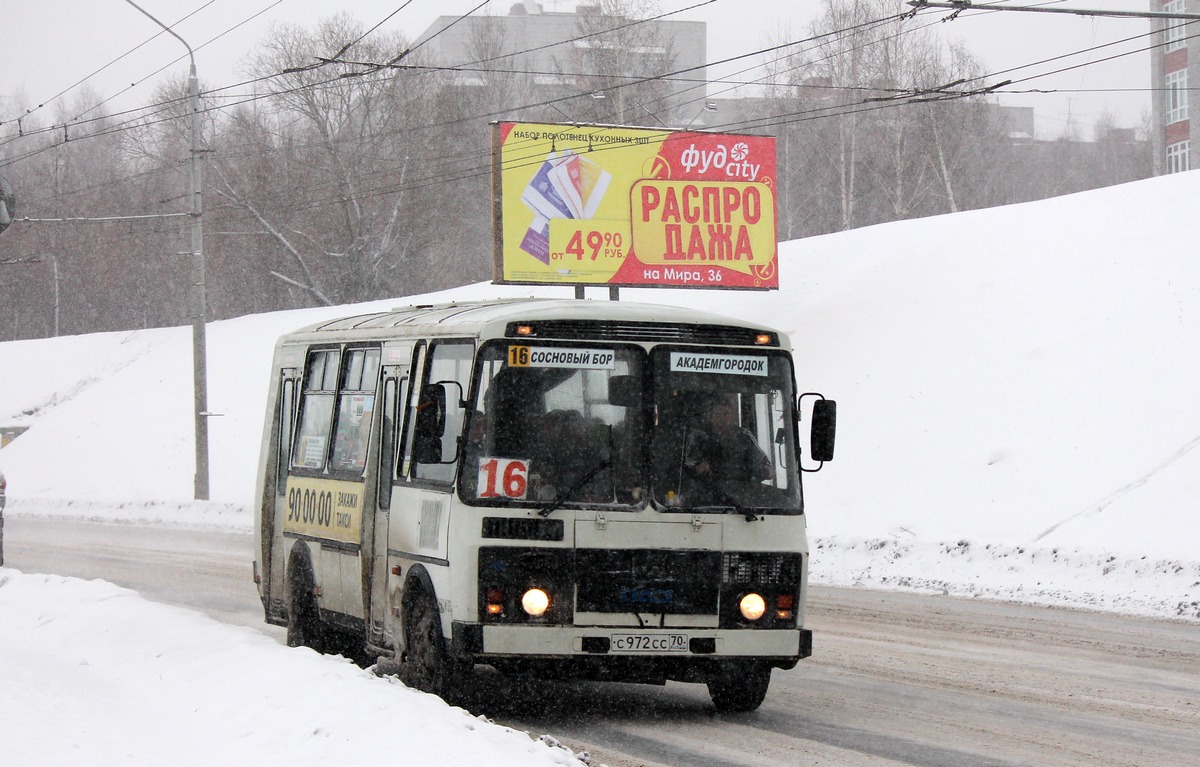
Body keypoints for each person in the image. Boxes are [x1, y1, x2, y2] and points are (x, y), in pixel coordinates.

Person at [686, 397, 773, 485]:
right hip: (707, 489)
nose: (722, 418)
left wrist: (765, 471)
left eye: (726, 414)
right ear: (711, 416)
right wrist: (699, 468)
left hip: (740, 491)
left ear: (731, 415)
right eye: (718, 414)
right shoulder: (699, 437)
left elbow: (767, 467)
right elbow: (687, 467)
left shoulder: (744, 436)